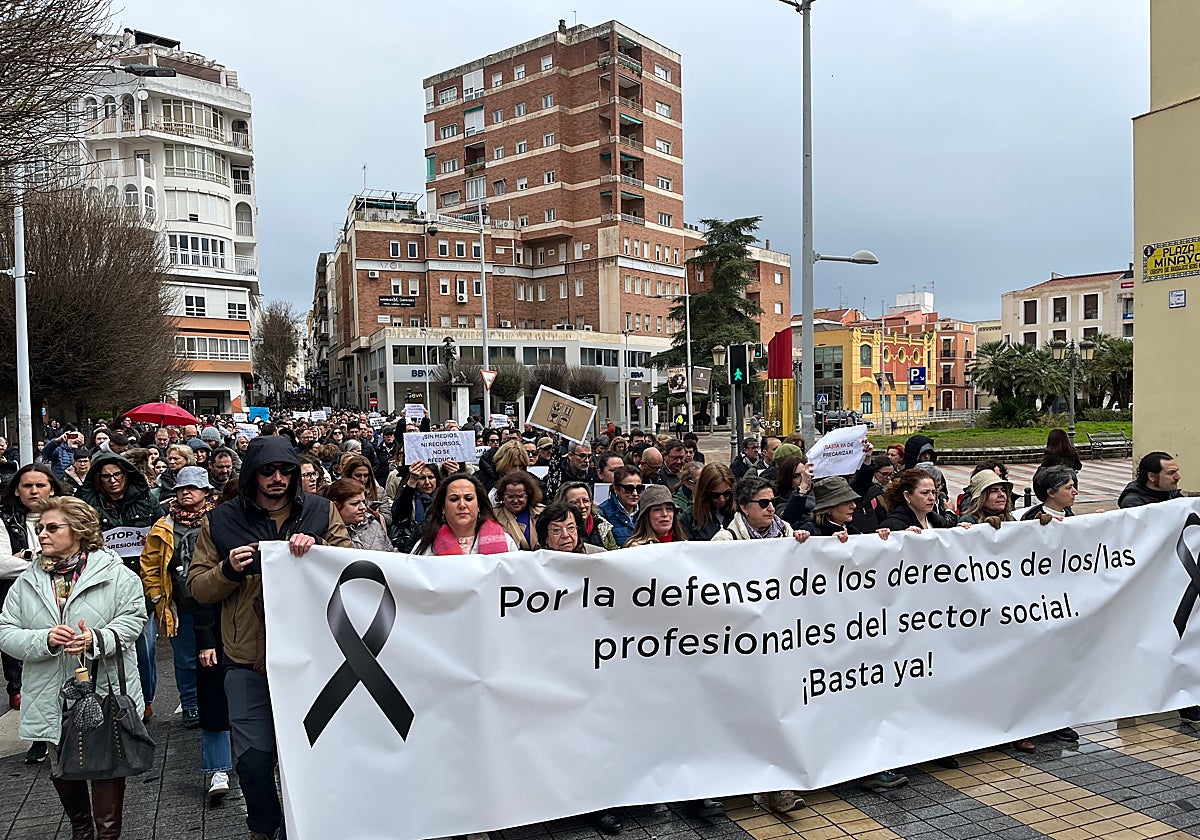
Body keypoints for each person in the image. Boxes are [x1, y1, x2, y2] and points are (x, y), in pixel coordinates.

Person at [187, 435, 353, 840]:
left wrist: (320, 551)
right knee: (255, 761)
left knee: (315, 756)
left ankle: (316, 826)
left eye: (286, 471)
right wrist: (227, 570)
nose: (277, 478)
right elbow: (197, 588)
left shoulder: (320, 510)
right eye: (268, 471)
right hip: (247, 661)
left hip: (311, 658)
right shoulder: (220, 520)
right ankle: (264, 827)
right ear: (252, 474)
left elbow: (350, 565)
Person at [0, 496, 146, 839]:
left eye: (52, 527)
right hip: (51, 695)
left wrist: (96, 639)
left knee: (108, 764)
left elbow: (132, 621)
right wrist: (45, 640)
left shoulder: (117, 575)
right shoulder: (27, 581)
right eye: (40, 529)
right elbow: (6, 632)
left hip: (103, 690)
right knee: (62, 768)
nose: (43, 535)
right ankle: (81, 831)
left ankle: (107, 834)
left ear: (79, 531)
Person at [76, 451, 161, 722]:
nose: (113, 481)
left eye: (117, 475)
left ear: (126, 475)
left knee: (144, 649)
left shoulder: (147, 500)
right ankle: (108, 704)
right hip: (102, 586)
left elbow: (162, 534)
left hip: (142, 584)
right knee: (105, 649)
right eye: (106, 476)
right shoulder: (86, 505)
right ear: (97, 479)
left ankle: (145, 700)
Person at [139, 466, 219, 737]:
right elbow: (149, 564)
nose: (186, 493)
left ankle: (217, 702)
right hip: (179, 603)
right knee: (185, 659)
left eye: (193, 488)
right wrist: (156, 594)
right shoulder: (163, 526)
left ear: (206, 491)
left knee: (218, 654)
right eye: (182, 488)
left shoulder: (219, 518)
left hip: (214, 600)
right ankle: (190, 705)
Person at [0, 464, 69, 762]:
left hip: (62, 597)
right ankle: (40, 737)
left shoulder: (67, 513)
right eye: (27, 486)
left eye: (40, 485)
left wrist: (26, 557)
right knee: (32, 670)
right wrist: (40, 562)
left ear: (51, 487)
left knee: (66, 663)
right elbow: (1, 565)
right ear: (17, 489)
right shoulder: (5, 519)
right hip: (21, 600)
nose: (34, 491)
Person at [414, 473, 518, 555]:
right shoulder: (425, 548)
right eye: (454, 499)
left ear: (479, 505)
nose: (462, 505)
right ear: (443, 507)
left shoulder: (507, 542)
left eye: (468, 499)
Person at [326, 478, 394, 552]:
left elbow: (391, 552)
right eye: (355, 503)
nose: (363, 507)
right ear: (336, 506)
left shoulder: (373, 524)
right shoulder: (327, 533)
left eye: (363, 502)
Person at [878, 469, 953, 532]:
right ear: (907, 496)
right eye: (925, 493)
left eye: (933, 492)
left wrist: (961, 529)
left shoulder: (937, 520)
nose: (932, 498)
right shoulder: (892, 526)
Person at [679, 463, 737, 541]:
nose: (722, 499)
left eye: (727, 494)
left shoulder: (740, 513)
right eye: (715, 495)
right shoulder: (689, 517)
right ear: (704, 493)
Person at [493, 471, 544, 550]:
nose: (516, 501)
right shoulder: (493, 515)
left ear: (528, 495)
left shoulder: (542, 512)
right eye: (510, 497)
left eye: (520, 496)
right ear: (502, 496)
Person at [558, 481, 616, 550]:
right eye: (575, 502)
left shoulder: (603, 525)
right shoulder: (559, 530)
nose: (582, 506)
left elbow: (613, 552)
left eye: (585, 501)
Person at [537, 502, 606, 555]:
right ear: (545, 537)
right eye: (556, 530)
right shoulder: (537, 563)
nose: (565, 535)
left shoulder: (598, 555)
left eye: (570, 528)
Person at [598, 466, 642, 547]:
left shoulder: (646, 510)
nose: (635, 493)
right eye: (629, 488)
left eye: (639, 488)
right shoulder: (602, 513)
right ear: (616, 488)